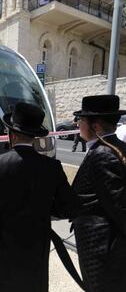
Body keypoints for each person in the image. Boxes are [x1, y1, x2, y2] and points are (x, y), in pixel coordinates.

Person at [0, 102, 79, 292]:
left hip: (2, 245)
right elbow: (69, 206)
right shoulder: (52, 167)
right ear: (35, 137)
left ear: (11, 134)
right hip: (35, 245)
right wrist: (45, 208)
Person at [71, 95, 126, 291]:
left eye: (81, 120)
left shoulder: (101, 155)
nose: (77, 124)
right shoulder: (115, 148)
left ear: (95, 126)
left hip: (102, 250)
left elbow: (119, 208)